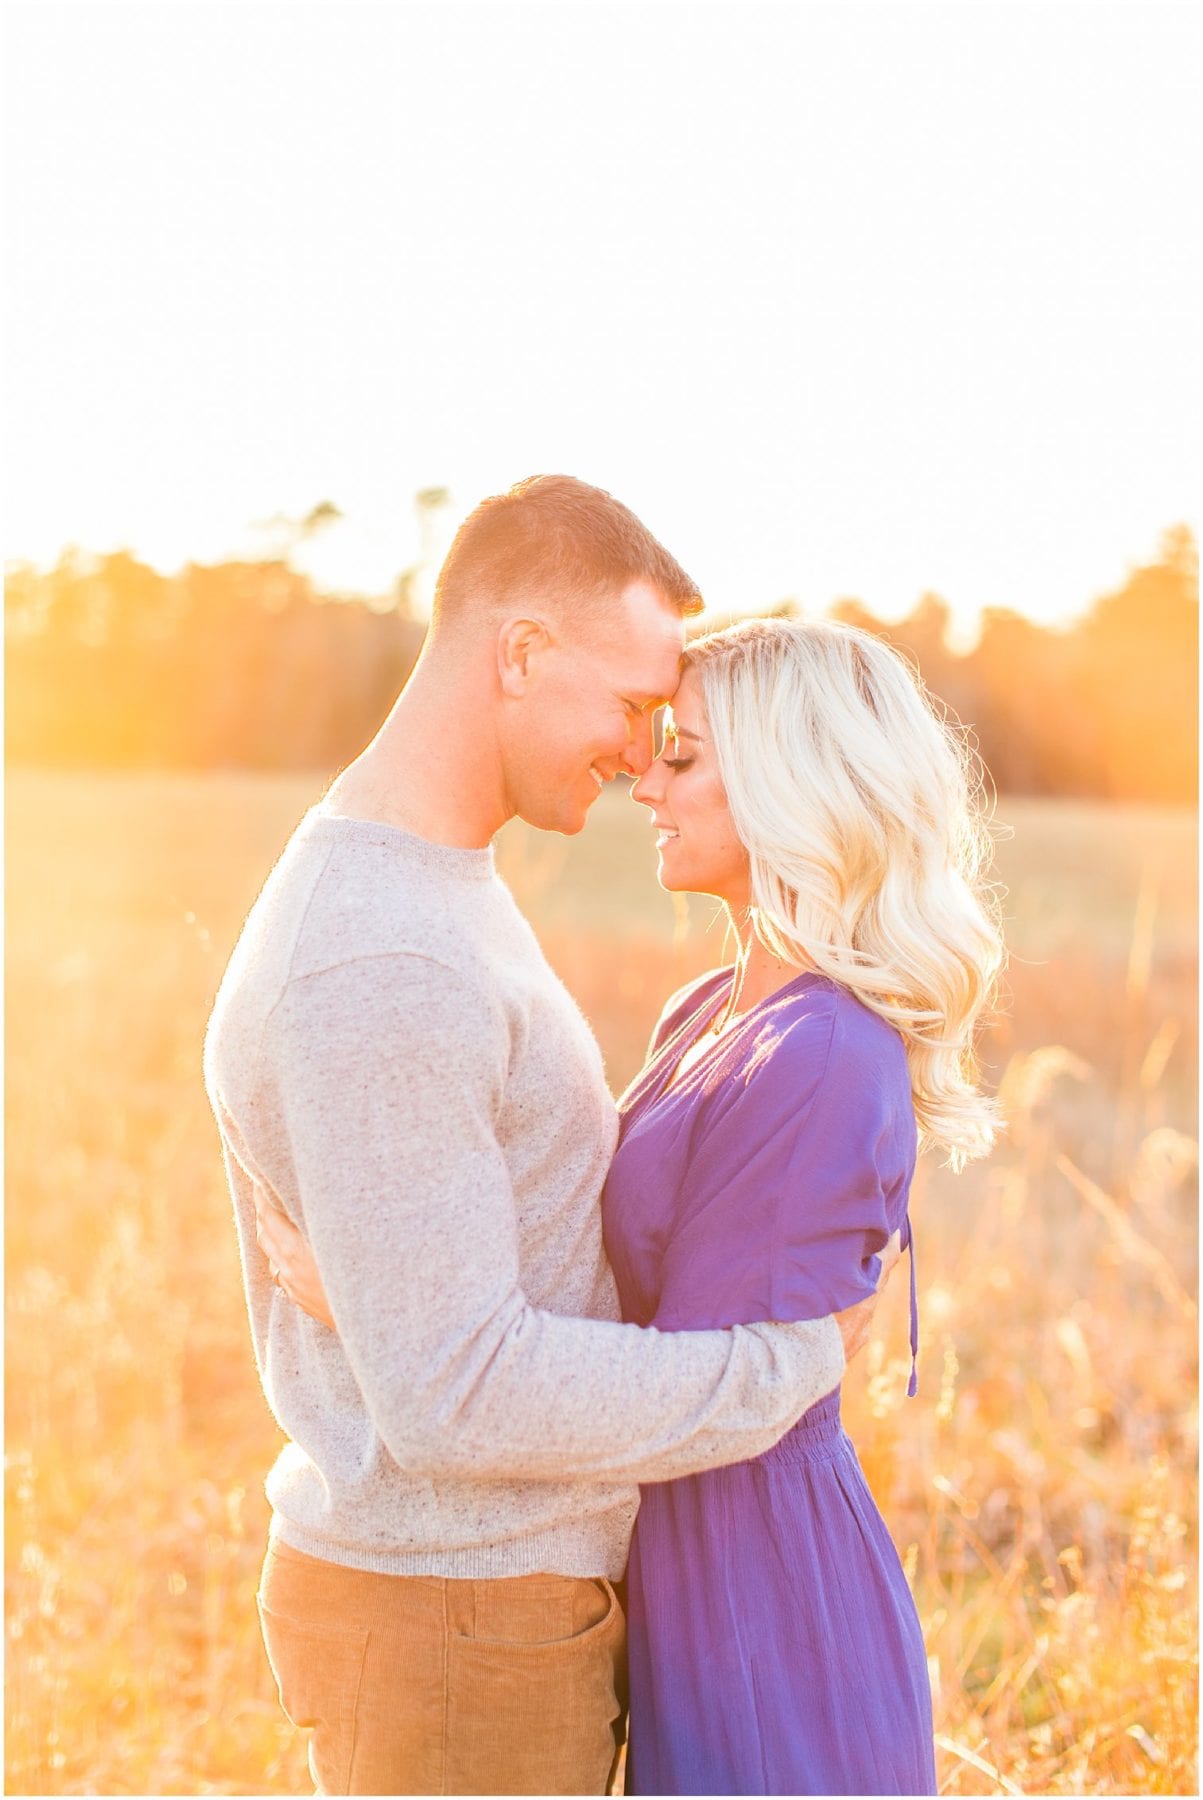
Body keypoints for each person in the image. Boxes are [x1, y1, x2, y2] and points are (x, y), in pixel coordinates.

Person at [204, 476, 886, 1799]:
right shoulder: (384, 952)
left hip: (488, 1608)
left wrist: (384, 1305)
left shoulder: (433, 884)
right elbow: (458, 1395)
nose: (645, 756)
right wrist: (786, 1371)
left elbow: (469, 1302)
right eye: (635, 709)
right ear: (520, 653)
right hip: (459, 1624)